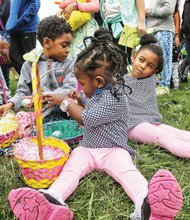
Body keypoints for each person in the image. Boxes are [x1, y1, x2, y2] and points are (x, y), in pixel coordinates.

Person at [8, 28, 183, 220]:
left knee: (127, 173)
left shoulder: (116, 99)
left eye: (82, 84)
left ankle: (147, 203)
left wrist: (65, 102)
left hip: (113, 150)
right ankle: (52, 199)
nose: (81, 87)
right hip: (88, 148)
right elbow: (91, 106)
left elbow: (87, 118)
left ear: (99, 81)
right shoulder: (101, 90)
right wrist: (81, 99)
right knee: (71, 170)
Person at [0, 15, 77, 122]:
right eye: (64, 45)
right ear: (47, 43)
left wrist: (40, 97)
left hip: (69, 118)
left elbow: (70, 89)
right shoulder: (30, 65)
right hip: (42, 120)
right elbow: (22, 93)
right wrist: (10, 103)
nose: (68, 50)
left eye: (69, 45)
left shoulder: (70, 64)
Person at [125, 34, 190, 158]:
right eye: (141, 60)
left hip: (151, 121)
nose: (143, 66)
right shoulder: (119, 82)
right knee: (165, 137)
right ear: (133, 58)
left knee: (178, 133)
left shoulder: (149, 79)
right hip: (132, 125)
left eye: (150, 66)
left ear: (153, 72)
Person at [145, 0, 177, 95]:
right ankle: (157, 84)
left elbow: (168, 10)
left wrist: (148, 11)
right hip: (152, 30)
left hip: (163, 29)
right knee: (154, 59)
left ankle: (164, 86)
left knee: (164, 59)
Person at [5, 0, 40, 75]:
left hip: (28, 28)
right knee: (13, 55)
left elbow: (35, 5)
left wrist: (23, 20)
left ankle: (33, 82)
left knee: (29, 59)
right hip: (15, 28)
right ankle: (27, 80)